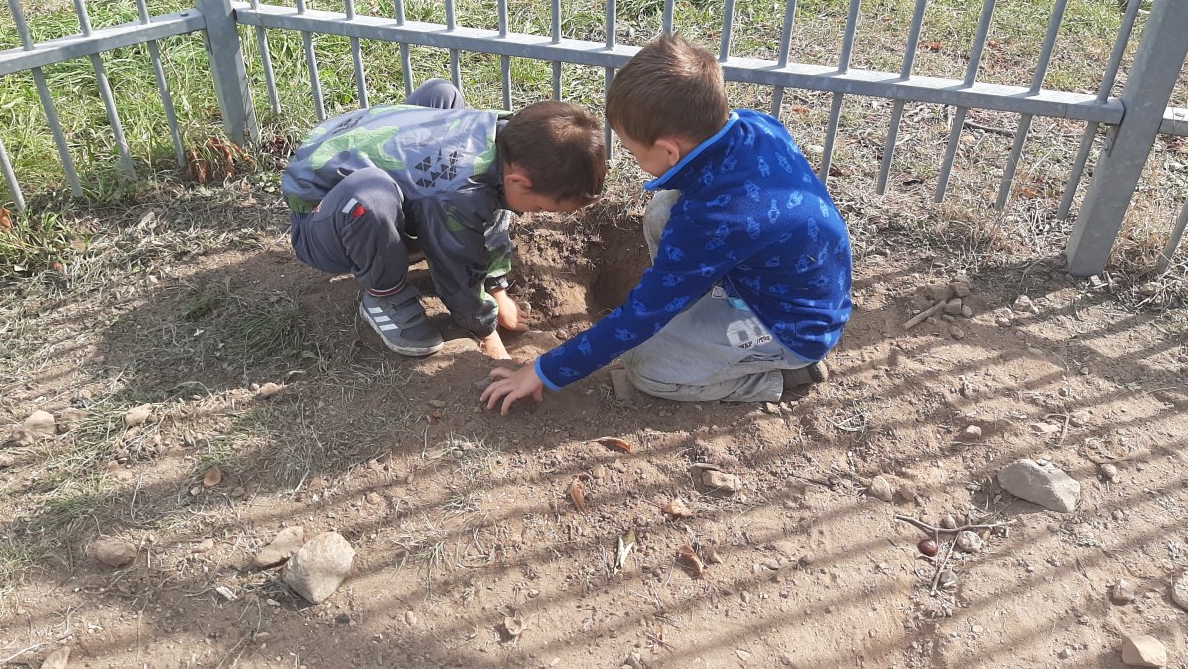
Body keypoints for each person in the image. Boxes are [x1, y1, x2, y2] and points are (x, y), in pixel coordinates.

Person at [481, 33, 852, 413]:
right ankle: (694, 303)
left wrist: (545, 370)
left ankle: (782, 375)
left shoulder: (713, 219)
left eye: (632, 150)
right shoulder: (756, 127)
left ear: (668, 151)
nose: (631, 157)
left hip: (785, 324)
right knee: (663, 209)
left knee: (646, 367)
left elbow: (643, 315)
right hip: (780, 277)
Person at [283, 79, 605, 359]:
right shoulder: (460, 193)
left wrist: (497, 290)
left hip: (348, 145)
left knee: (442, 94)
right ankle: (385, 297)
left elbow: (491, 215)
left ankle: (402, 224)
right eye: (541, 209)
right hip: (319, 215)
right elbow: (456, 265)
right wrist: (485, 329)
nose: (535, 214)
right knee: (372, 196)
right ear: (519, 181)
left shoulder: (505, 136)